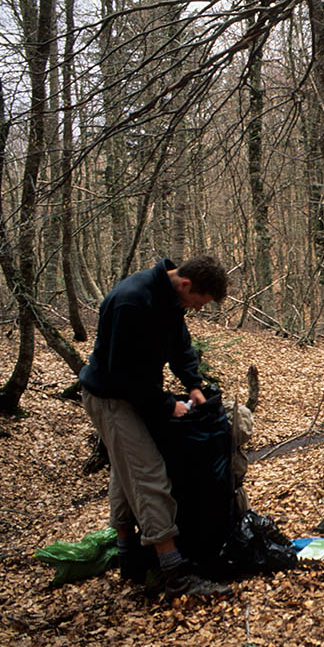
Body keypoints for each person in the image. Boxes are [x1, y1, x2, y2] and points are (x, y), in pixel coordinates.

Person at [79, 255, 231, 601]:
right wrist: (166, 404)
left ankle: (128, 555)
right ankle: (175, 577)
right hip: (111, 399)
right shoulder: (132, 301)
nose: (197, 309)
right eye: (198, 303)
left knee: (125, 469)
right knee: (149, 476)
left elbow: (179, 345)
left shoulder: (170, 298)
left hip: (133, 395)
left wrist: (193, 383)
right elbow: (122, 374)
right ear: (186, 284)